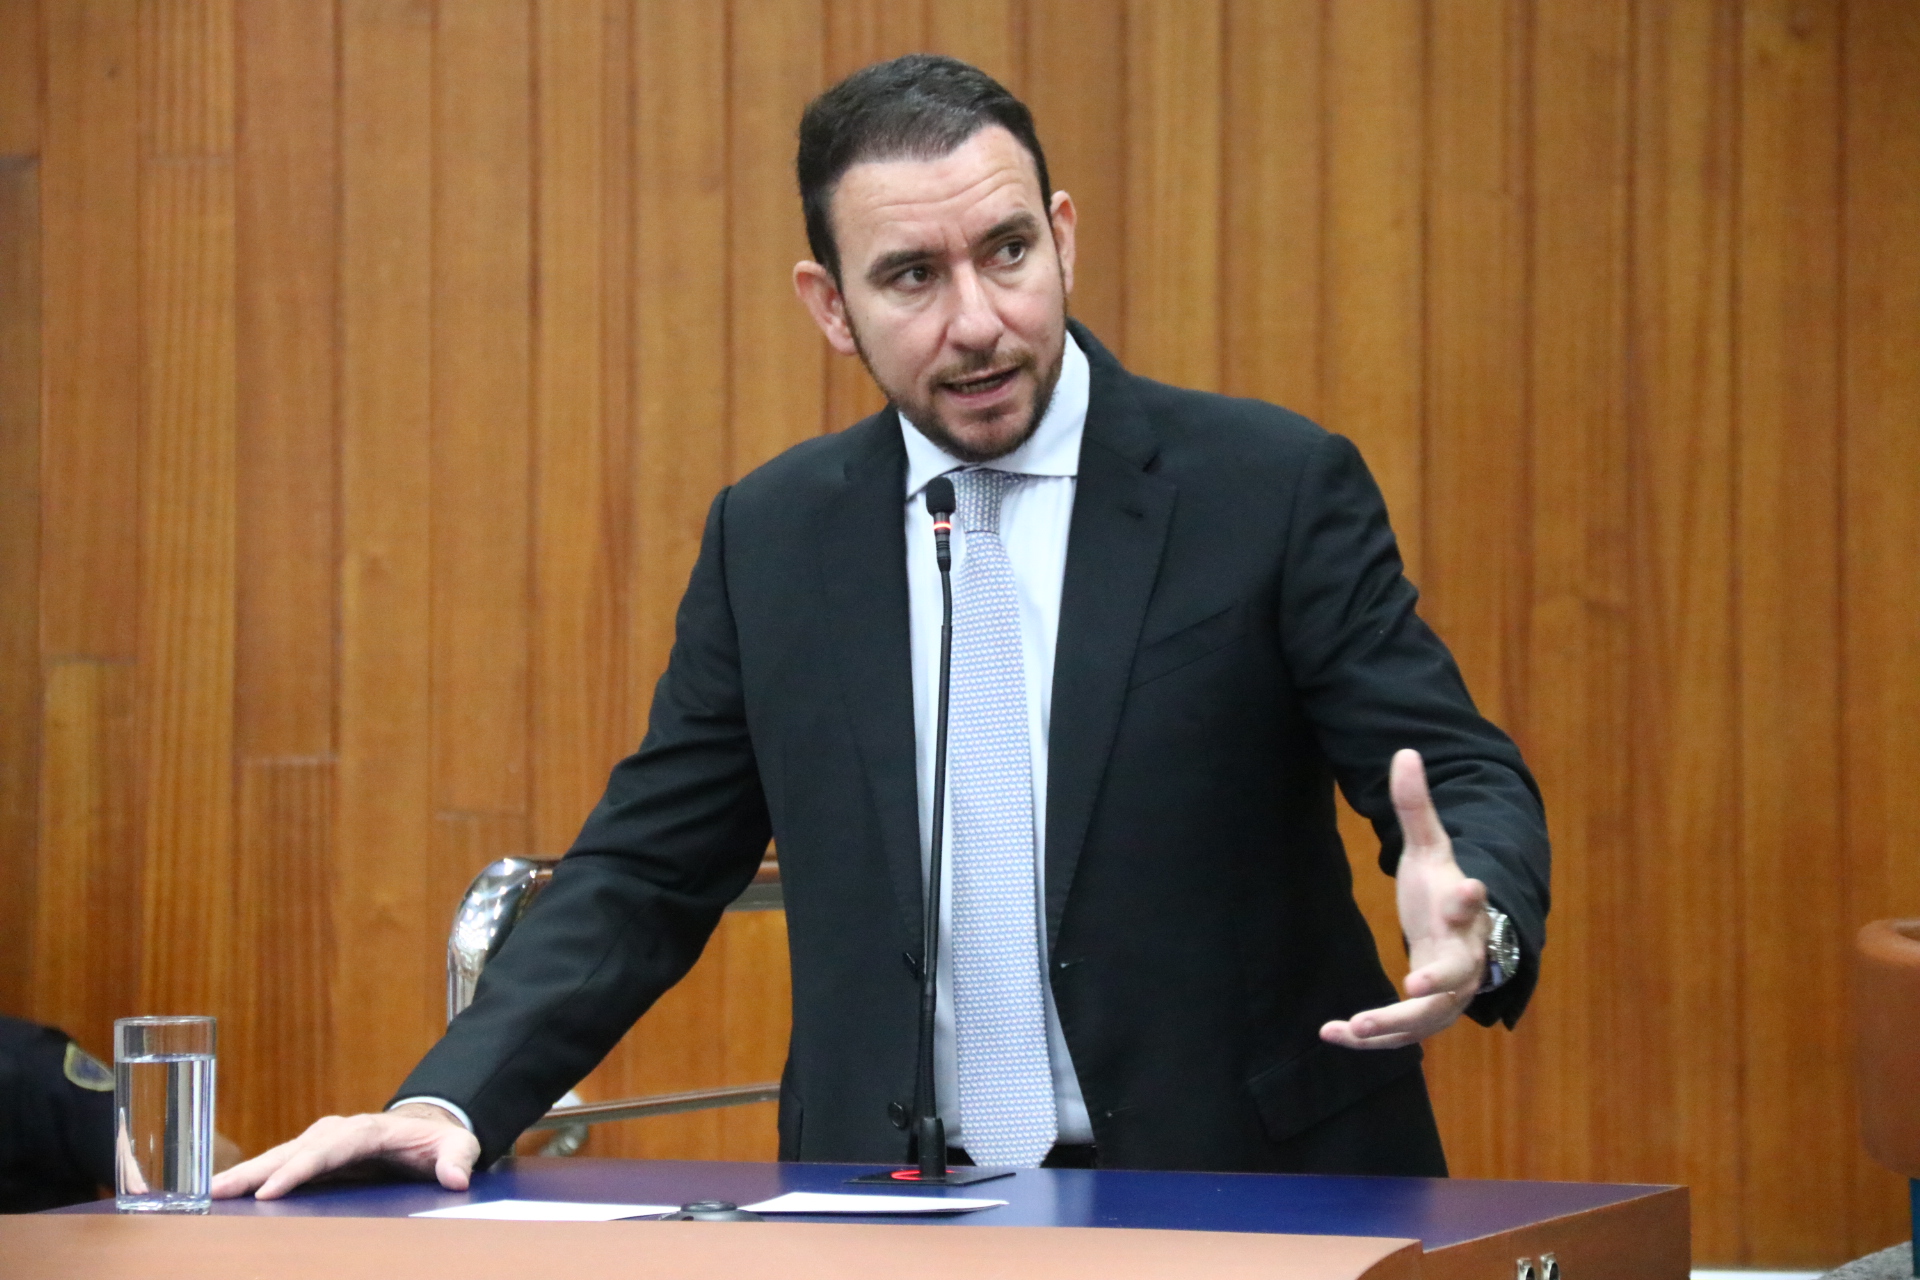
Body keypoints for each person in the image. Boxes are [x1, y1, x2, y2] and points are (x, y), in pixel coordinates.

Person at [216, 54, 1547, 1201]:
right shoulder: (774, 537)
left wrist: (1475, 926)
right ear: (830, 307)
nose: (978, 322)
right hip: (894, 1208)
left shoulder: (1267, 487)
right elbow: (647, 868)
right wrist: (448, 1101)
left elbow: (1454, 769)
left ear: (1063, 237)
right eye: (912, 276)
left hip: (1247, 1189)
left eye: (1007, 252)